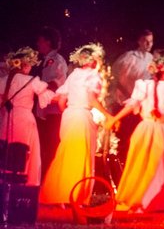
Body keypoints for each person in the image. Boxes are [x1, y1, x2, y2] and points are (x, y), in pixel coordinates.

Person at [106, 50, 164, 212]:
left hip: (144, 129)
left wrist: (115, 118)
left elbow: (132, 105)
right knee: (161, 166)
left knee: (156, 165)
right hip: (160, 130)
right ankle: (141, 202)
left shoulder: (144, 86)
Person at [39, 43, 109, 205]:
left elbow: (62, 100)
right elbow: (92, 99)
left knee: (66, 153)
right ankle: (77, 195)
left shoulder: (74, 74)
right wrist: (107, 115)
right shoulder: (93, 75)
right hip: (82, 116)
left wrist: (69, 111)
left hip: (69, 116)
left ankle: (58, 194)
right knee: (80, 156)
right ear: (93, 60)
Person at [1, 47, 54, 185]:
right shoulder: (31, 80)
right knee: (24, 152)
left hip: (7, 119)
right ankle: (23, 187)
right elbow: (48, 96)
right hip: (24, 120)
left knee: (6, 152)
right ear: (25, 65)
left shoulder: (5, 80)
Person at [110, 29, 154, 159]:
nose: (148, 44)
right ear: (139, 41)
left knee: (139, 138)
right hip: (125, 103)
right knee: (124, 137)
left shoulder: (152, 60)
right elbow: (114, 78)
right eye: (146, 41)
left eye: (151, 41)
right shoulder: (129, 57)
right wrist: (128, 94)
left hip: (142, 107)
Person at [34, 26, 68, 177]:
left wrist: (39, 89)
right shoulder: (45, 60)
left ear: (48, 42)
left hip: (52, 112)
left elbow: (56, 82)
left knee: (50, 147)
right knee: (42, 147)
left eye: (40, 41)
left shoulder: (57, 60)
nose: (38, 44)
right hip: (43, 111)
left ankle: (48, 180)